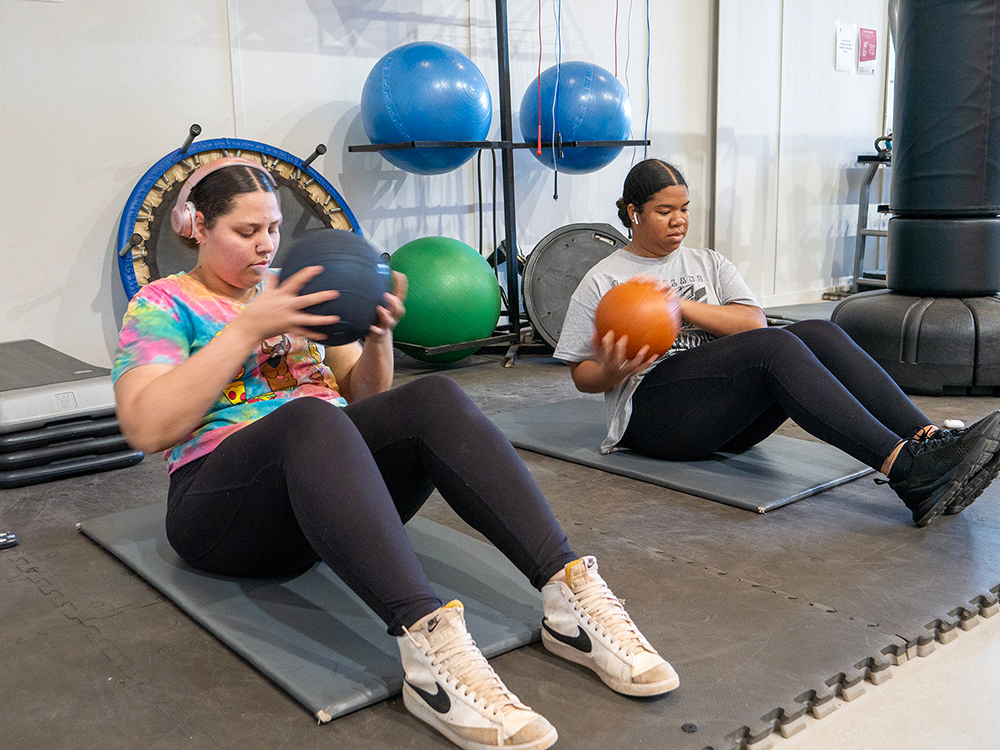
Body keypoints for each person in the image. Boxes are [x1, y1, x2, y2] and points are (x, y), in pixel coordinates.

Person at [112, 157, 678, 750]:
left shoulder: (289, 292)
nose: (266, 246)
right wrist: (247, 329)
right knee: (305, 416)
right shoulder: (163, 303)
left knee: (431, 396)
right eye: (246, 233)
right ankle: (431, 657)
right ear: (199, 227)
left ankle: (571, 600)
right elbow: (147, 427)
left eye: (273, 229)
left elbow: (362, 398)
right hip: (221, 511)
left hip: (323, 485)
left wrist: (378, 336)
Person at [554, 158, 1000, 527]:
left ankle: (929, 441)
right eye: (664, 210)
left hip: (721, 415)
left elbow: (753, 320)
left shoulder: (708, 263)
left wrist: (679, 307)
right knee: (775, 347)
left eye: (685, 208)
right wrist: (614, 369)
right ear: (634, 212)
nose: (680, 220)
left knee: (815, 332)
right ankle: (907, 470)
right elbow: (581, 375)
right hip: (652, 419)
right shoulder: (605, 279)